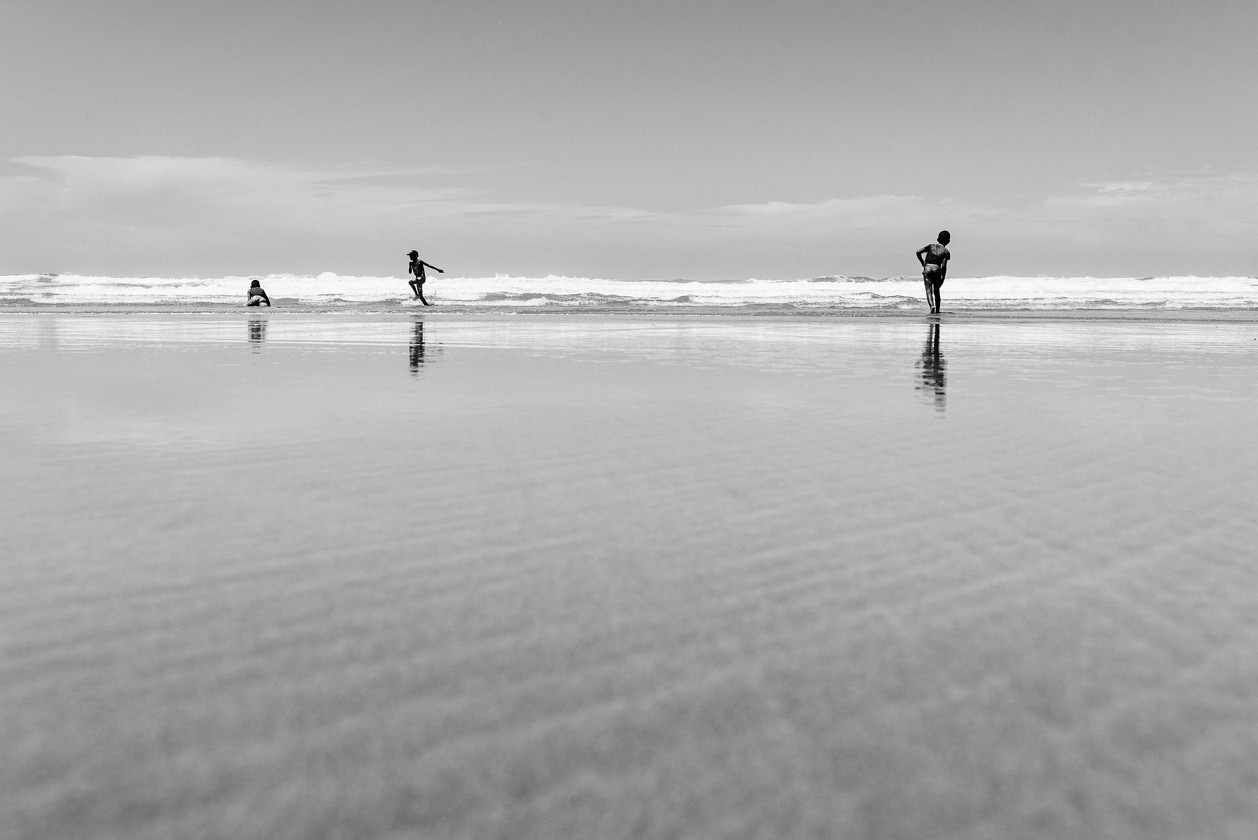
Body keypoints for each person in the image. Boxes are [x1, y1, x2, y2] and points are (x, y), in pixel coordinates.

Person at [915, 230, 951, 314]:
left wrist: (922, 262)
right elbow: (944, 266)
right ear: (948, 241)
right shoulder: (946, 252)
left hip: (927, 268)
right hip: (936, 269)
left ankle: (932, 306)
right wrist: (942, 277)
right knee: (936, 291)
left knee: (928, 290)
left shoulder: (931, 246)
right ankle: (937, 310)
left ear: (938, 239)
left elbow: (918, 252)